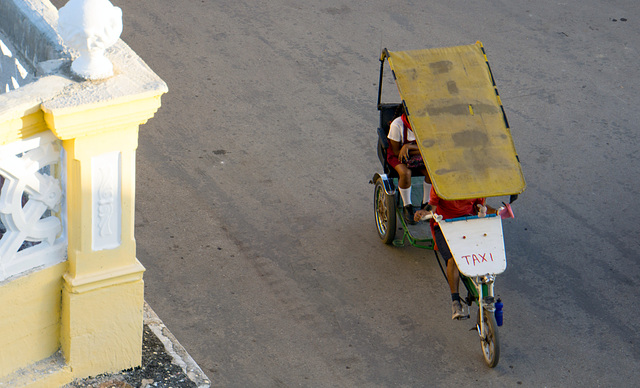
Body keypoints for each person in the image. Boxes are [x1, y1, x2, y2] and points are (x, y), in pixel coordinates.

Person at [414, 187, 499, 320]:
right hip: (445, 225)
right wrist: (423, 213)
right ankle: (455, 301)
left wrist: (497, 211)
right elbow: (432, 207)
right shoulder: (441, 183)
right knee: (453, 259)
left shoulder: (475, 183)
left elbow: (480, 207)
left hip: (468, 222)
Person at [386, 107, 431, 225]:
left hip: (417, 155)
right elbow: (397, 152)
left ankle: (426, 203)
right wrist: (416, 149)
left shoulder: (425, 124)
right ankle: (407, 205)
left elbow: (429, 146)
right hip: (398, 156)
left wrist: (408, 147)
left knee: (431, 173)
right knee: (405, 173)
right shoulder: (397, 125)